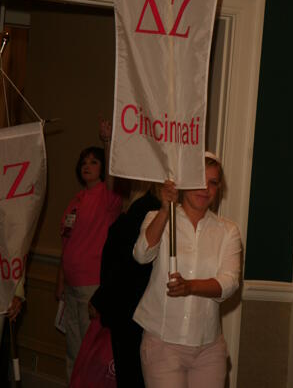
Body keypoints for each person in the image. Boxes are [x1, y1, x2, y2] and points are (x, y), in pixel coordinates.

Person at [133, 152, 242, 388]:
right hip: (162, 344)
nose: (205, 188)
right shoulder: (156, 218)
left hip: (208, 349)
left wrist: (190, 286)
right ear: (184, 183)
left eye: (212, 182)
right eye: (199, 180)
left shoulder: (228, 231)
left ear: (218, 188)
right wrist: (165, 209)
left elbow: (229, 283)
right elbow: (142, 254)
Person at [55, 119, 122, 380]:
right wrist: (59, 282)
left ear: (103, 167)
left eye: (94, 161)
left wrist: (107, 141)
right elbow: (66, 244)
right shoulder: (76, 200)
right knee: (72, 350)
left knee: (90, 351)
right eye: (84, 162)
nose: (87, 166)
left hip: (91, 287)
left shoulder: (108, 196)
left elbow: (116, 177)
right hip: (71, 288)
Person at [89, 183, 161, 387]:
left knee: (132, 376)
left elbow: (126, 263)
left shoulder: (147, 207)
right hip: (125, 306)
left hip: (132, 308)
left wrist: (100, 298)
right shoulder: (136, 205)